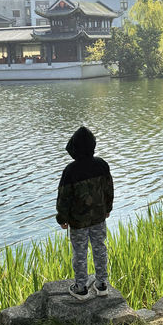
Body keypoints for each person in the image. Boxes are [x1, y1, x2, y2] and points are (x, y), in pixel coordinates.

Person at [56, 126, 114, 300]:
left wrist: (62, 218)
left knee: (80, 252)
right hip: (98, 218)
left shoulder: (70, 171)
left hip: (78, 222)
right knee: (100, 248)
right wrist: (107, 209)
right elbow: (109, 190)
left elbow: (64, 198)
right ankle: (102, 284)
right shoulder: (102, 165)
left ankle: (81, 288)